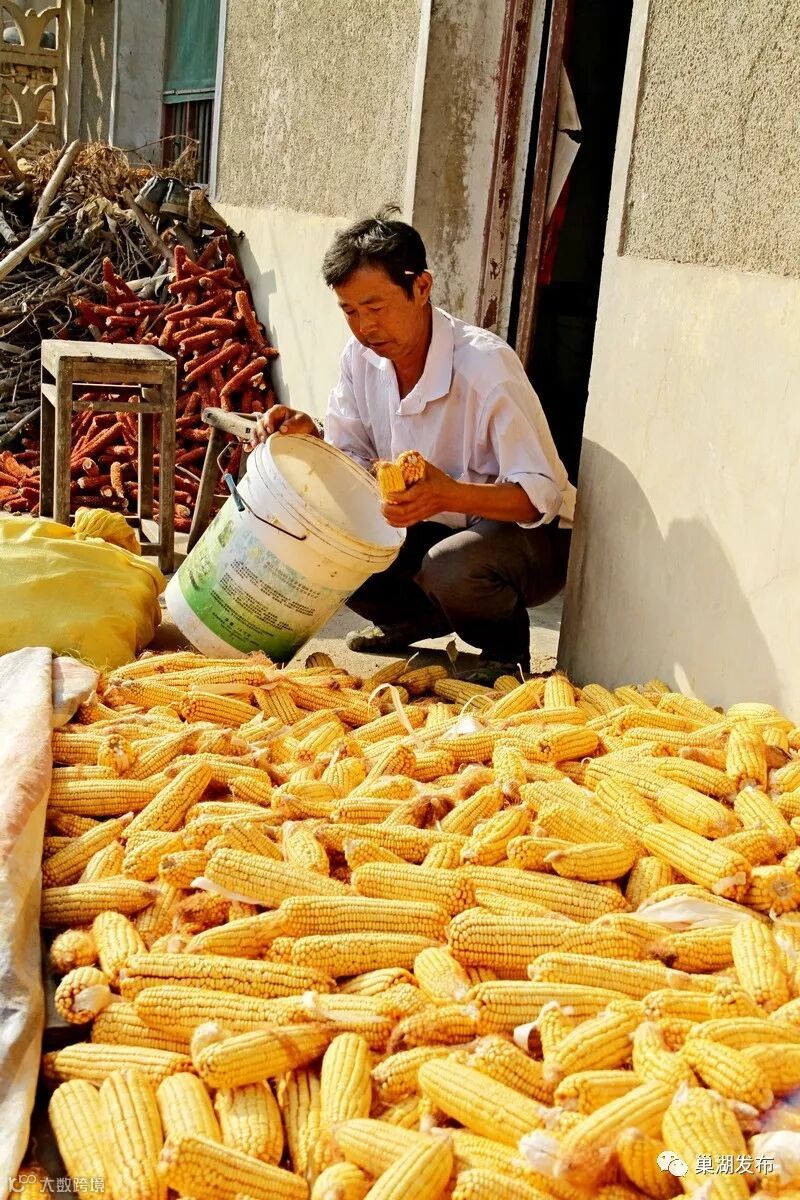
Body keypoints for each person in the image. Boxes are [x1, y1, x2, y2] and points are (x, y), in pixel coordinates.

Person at [251, 206, 575, 682]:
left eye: (376, 307)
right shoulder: (361, 357)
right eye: (349, 311)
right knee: (329, 541)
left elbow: (540, 497)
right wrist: (311, 439)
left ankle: (506, 652)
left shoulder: (485, 367)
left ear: (421, 288)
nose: (365, 327)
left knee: (451, 566)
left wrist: (449, 495)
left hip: (528, 539)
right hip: (429, 525)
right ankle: (414, 620)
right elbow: (352, 459)